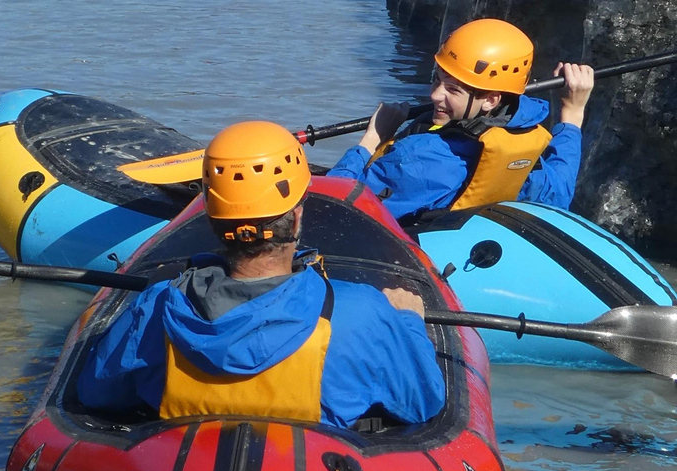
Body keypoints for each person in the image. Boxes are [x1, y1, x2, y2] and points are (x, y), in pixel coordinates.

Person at [76, 120, 445, 429]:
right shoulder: (362, 312)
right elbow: (423, 404)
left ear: (211, 217)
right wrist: (409, 322)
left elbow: (96, 395)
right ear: (297, 215)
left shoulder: (157, 306)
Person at [327, 18, 595, 220]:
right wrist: (572, 114)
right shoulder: (523, 140)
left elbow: (334, 208)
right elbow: (559, 194)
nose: (434, 95)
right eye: (438, 79)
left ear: (491, 99)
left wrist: (371, 139)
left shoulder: (419, 160)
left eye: (453, 89)